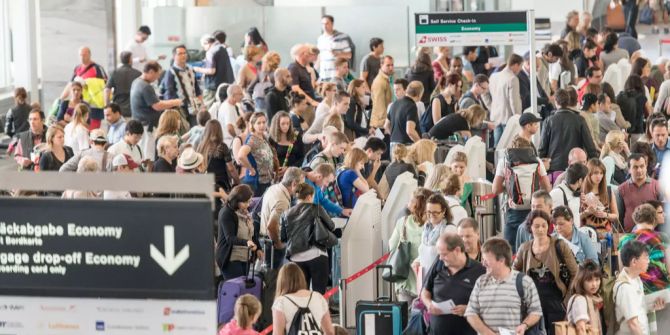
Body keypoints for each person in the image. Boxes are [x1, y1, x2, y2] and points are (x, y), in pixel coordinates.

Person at [514, 210, 579, 334]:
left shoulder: (560, 245)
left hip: (556, 301)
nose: (540, 229)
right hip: (532, 303)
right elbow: (513, 273)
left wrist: (567, 300)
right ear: (530, 227)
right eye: (536, 226)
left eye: (544, 225)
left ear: (548, 226)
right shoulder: (524, 248)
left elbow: (575, 273)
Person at [465, 238, 543, 335]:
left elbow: (536, 311)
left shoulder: (525, 282)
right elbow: (471, 313)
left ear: (501, 260)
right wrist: (488, 333)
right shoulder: (481, 281)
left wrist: (524, 325)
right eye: (483, 259)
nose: (483, 263)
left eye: (486, 260)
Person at [493, 136, 552, 252]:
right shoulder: (537, 161)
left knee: (510, 250)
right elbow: (547, 188)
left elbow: (495, 189)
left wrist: (508, 189)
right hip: (534, 211)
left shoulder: (505, 161)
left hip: (514, 211)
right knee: (534, 247)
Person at [421, 233, 486, 335]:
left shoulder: (480, 271)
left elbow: (489, 304)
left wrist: (469, 309)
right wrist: (429, 304)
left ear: (457, 250)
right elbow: (425, 291)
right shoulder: (438, 264)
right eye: (439, 254)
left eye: (444, 254)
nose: (441, 258)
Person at [280, 183, 338, 294]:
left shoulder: (286, 214)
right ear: (309, 197)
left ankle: (302, 312)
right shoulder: (316, 208)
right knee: (319, 294)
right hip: (316, 255)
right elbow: (331, 225)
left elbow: (283, 237)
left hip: (295, 258)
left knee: (299, 294)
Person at [130, 61, 182, 162]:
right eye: (157, 74)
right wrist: (174, 102)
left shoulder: (136, 82)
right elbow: (157, 106)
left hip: (140, 123)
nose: (158, 77)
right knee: (148, 156)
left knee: (143, 152)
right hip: (147, 126)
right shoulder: (146, 87)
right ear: (151, 72)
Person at [388, 187, 433, 301]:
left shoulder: (402, 222)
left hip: (405, 281)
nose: (408, 203)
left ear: (417, 205)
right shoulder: (432, 226)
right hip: (427, 283)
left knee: (405, 317)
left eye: (411, 200)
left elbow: (392, 245)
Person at [540, 89, 598, 173]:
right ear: (568, 101)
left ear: (556, 101)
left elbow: (542, 149)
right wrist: (594, 166)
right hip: (576, 168)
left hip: (554, 169)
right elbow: (590, 147)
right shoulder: (579, 120)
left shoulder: (548, 121)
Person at [615, 240, 666, 335]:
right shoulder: (625, 287)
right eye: (646, 258)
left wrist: (654, 306)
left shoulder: (636, 279)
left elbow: (638, 309)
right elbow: (633, 324)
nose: (649, 261)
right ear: (634, 261)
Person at [271, 262, 335, 335]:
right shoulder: (318, 297)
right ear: (301, 278)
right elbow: (330, 331)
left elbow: (277, 333)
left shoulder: (281, 302)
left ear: (281, 281)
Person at [260, 167, 305, 269]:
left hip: (266, 241)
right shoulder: (282, 201)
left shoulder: (274, 188)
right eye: (301, 185)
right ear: (294, 183)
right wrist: (279, 244)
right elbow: (271, 226)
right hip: (272, 244)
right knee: (275, 279)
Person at [216, 184, 260, 280]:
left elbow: (251, 233)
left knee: (242, 288)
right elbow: (230, 238)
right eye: (245, 202)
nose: (248, 205)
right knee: (236, 290)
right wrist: (246, 242)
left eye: (249, 201)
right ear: (236, 201)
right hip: (231, 258)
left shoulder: (245, 212)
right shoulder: (226, 213)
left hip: (245, 257)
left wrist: (258, 249)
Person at [161, 44, 204, 128]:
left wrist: (201, 104)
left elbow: (196, 89)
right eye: (180, 54)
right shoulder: (170, 72)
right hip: (179, 110)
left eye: (184, 53)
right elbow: (169, 94)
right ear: (174, 56)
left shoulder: (190, 69)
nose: (183, 55)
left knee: (194, 130)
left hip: (193, 107)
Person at [413, 194, 456, 275]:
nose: (431, 215)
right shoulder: (426, 229)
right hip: (425, 278)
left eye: (435, 212)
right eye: (428, 212)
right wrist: (417, 261)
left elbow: (453, 258)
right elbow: (424, 252)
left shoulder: (449, 229)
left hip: (440, 278)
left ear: (443, 211)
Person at [618, 154, 663, 232]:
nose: (639, 170)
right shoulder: (622, 188)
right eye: (635, 167)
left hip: (653, 235)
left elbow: (663, 213)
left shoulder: (657, 186)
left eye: (642, 166)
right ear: (629, 169)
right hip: (630, 235)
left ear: (646, 167)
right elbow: (620, 215)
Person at [198, 119, 238, 203]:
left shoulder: (201, 146)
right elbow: (231, 168)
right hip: (221, 185)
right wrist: (238, 181)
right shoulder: (222, 147)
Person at [68, 46, 108, 129]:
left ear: (89, 55)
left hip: (95, 107)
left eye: (84, 55)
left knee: (92, 130)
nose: (82, 57)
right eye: (80, 55)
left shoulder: (97, 68)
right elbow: (71, 84)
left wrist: (89, 83)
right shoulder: (77, 68)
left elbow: (105, 84)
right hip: (81, 104)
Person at [237, 112, 276, 196]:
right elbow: (240, 155)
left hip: (266, 181)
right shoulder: (252, 140)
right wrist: (251, 169)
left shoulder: (262, 136)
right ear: (252, 125)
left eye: (264, 122)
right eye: (258, 123)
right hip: (257, 183)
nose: (262, 125)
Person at [194, 32, 236, 108]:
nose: (204, 49)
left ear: (207, 43)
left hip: (213, 87)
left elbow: (211, 71)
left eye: (203, 46)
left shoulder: (211, 51)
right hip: (226, 85)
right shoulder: (222, 48)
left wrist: (197, 69)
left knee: (208, 109)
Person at [489, 54, 523, 146]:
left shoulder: (494, 76)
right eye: (520, 66)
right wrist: (518, 118)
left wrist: (490, 107)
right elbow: (514, 102)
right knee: (508, 146)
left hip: (495, 117)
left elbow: (486, 94)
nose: (520, 70)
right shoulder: (512, 79)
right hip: (508, 118)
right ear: (516, 65)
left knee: (497, 146)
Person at [581, 158, 620, 237]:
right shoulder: (581, 192)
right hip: (586, 235)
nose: (599, 176)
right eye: (595, 173)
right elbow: (574, 218)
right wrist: (587, 212)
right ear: (589, 173)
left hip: (606, 235)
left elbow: (616, 216)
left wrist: (605, 215)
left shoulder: (608, 191)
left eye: (601, 173)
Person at [565, 260, 604, 335]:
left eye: (597, 279)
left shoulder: (594, 299)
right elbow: (581, 329)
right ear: (581, 280)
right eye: (589, 280)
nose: (594, 284)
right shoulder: (580, 300)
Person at [385, 78, 421, 147]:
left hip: (393, 144)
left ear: (406, 90)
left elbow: (386, 126)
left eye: (398, 89)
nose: (395, 92)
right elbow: (410, 131)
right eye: (394, 90)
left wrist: (396, 136)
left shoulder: (394, 104)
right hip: (406, 145)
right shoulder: (411, 105)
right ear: (419, 95)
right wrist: (420, 144)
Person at [104, 51, 141, 117]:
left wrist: (107, 105)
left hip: (117, 110)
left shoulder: (115, 72)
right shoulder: (138, 74)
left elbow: (107, 90)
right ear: (130, 60)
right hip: (133, 109)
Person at [316, 15, 352, 82]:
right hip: (323, 75)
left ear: (332, 24)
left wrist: (337, 54)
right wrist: (314, 69)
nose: (324, 26)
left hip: (336, 75)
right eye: (323, 24)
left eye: (327, 23)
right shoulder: (320, 39)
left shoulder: (341, 37)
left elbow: (349, 55)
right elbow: (319, 56)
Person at [617, 75, 651, 144]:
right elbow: (650, 115)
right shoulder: (642, 97)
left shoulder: (620, 97)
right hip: (638, 132)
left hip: (623, 133)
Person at [370, 55, 395, 129]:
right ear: (381, 65)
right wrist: (386, 124)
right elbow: (379, 107)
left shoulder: (388, 78)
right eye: (388, 65)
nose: (391, 68)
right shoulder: (379, 82)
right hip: (381, 124)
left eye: (392, 65)